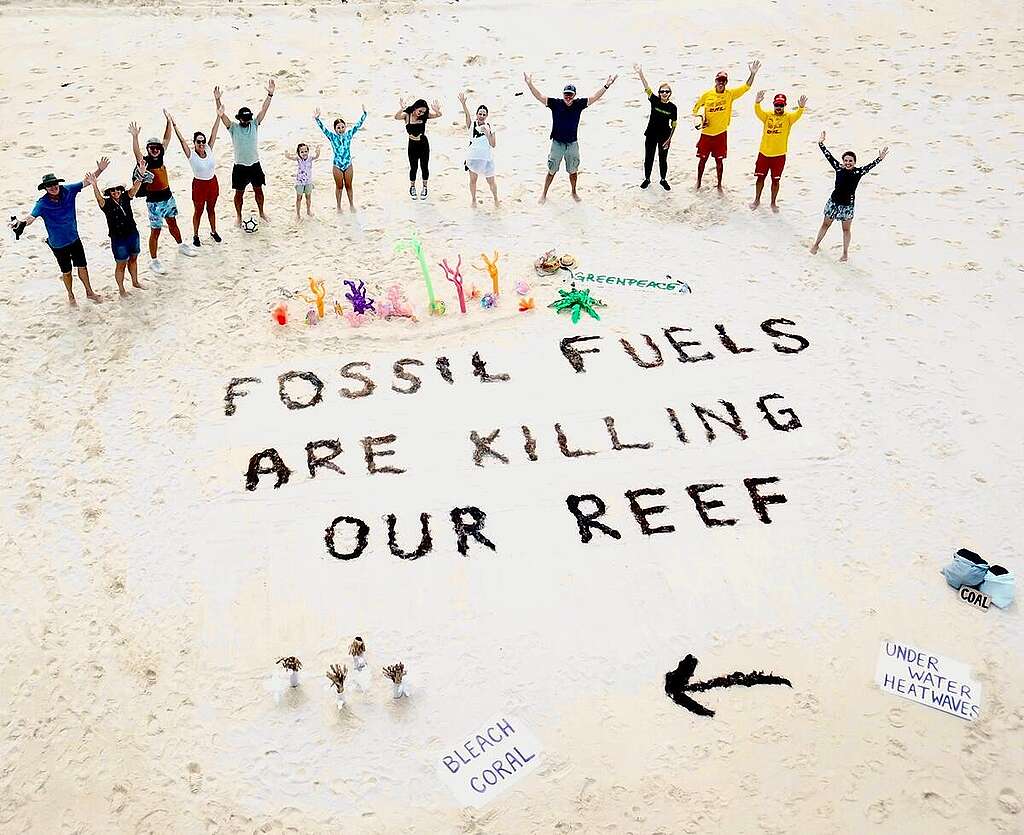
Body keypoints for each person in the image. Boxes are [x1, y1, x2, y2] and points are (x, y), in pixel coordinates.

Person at [9, 159, 109, 305]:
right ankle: (71, 295)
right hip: (58, 244)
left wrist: (100, 169)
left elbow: (86, 182)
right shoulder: (42, 203)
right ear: (45, 188)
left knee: (82, 266)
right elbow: (31, 217)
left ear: (58, 183)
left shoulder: (69, 189)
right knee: (67, 271)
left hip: (74, 238)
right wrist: (21, 223)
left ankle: (89, 292)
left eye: (54, 184)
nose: (53, 187)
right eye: (49, 186)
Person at [523, 72, 617, 203]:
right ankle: (544, 193)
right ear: (563, 95)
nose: (568, 97)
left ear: (574, 95)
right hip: (557, 143)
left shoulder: (579, 104)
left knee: (573, 171)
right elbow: (539, 96)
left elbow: (595, 97)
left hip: (572, 143)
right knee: (552, 170)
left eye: (570, 94)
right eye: (566, 94)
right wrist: (529, 84)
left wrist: (607, 85)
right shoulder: (555, 104)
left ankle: (573, 192)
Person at [130, 115, 198, 274]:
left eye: (157, 148)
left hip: (168, 198)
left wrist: (168, 122)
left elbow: (166, 139)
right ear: (148, 149)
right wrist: (135, 137)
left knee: (173, 223)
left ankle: (181, 245)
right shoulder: (145, 162)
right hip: (154, 202)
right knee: (156, 230)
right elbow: (136, 153)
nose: (155, 150)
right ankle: (154, 261)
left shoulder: (160, 156)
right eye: (151, 148)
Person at [810, 131, 888, 261]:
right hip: (833, 202)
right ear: (843, 161)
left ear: (854, 162)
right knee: (825, 225)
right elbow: (828, 156)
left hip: (847, 205)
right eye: (845, 160)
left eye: (850, 161)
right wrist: (821, 143)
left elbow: (870, 166)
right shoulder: (838, 168)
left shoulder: (858, 172)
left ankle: (845, 253)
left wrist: (879, 159)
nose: (848, 163)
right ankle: (816, 244)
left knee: (846, 230)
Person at [692, 60, 760, 191]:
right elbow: (696, 108)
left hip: (720, 134)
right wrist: (699, 120)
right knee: (702, 161)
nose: (721, 83)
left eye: (724, 80)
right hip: (706, 134)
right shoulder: (707, 95)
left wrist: (752, 74)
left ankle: (719, 185)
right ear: (715, 81)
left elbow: (746, 87)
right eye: (719, 80)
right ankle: (698, 182)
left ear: (726, 83)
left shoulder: (730, 95)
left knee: (719, 161)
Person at [215, 80, 275, 225]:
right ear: (239, 118)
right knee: (239, 194)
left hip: (254, 165)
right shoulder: (233, 127)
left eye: (248, 118)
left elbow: (263, 110)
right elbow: (222, 115)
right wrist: (217, 99)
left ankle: (261, 212)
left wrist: (270, 94)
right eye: (244, 119)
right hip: (240, 167)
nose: (247, 121)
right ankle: (239, 216)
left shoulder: (254, 124)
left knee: (259, 191)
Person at [85, 163, 146, 296]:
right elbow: (98, 198)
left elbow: (135, 188)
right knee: (121, 264)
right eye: (112, 190)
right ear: (109, 192)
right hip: (118, 238)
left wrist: (140, 174)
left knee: (134, 258)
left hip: (132, 234)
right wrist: (94, 185)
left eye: (118, 189)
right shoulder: (106, 204)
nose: (116, 192)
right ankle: (121, 289)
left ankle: (135, 282)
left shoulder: (126, 197)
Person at [170, 106, 223, 247]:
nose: (201, 143)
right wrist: (174, 125)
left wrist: (218, 116)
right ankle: (195, 235)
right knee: (198, 211)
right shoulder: (191, 155)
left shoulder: (208, 148)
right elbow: (181, 141)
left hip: (212, 183)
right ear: (194, 143)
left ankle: (213, 231)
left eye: (202, 141)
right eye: (198, 141)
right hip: (199, 185)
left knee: (211, 209)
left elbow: (214, 132)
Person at [750, 90, 807, 212]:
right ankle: (757, 200)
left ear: (784, 106)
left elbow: (797, 114)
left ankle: (773, 203)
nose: (779, 107)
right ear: (773, 105)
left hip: (779, 156)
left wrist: (801, 108)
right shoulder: (768, 116)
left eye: (781, 105)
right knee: (760, 179)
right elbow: (758, 112)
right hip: (764, 154)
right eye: (777, 105)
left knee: (775, 181)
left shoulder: (789, 118)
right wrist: (757, 103)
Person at [314, 106, 367, 212]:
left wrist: (364, 114)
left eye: (342, 127)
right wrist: (317, 119)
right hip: (337, 165)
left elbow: (357, 126)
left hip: (348, 164)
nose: (341, 129)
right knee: (339, 186)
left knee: (349, 186)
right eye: (338, 128)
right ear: (335, 129)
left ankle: (351, 204)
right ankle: (338, 206)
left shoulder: (348, 135)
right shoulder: (332, 137)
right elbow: (323, 129)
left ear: (345, 127)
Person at [633, 65, 677, 190]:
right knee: (649, 157)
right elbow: (646, 87)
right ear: (659, 93)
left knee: (663, 159)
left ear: (670, 94)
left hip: (664, 135)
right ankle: (647, 179)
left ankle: (663, 180)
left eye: (667, 91)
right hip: (651, 134)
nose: (664, 93)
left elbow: (674, 124)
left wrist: (669, 139)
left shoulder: (673, 108)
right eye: (662, 91)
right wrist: (640, 73)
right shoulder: (655, 100)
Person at [394, 97, 442, 200]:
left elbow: (438, 115)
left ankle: (425, 187)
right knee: (413, 167)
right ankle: (412, 187)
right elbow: (396, 117)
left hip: (423, 144)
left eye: (423, 112)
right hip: (412, 145)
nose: (421, 113)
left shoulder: (424, 116)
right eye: (420, 111)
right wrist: (401, 108)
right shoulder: (407, 115)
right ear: (415, 108)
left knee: (424, 167)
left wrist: (437, 110)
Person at [457, 92, 498, 208]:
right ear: (477, 114)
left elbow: (493, 144)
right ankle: (474, 199)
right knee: (473, 180)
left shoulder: (490, 126)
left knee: (491, 181)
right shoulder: (472, 125)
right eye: (480, 113)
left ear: (486, 116)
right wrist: (463, 104)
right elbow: (467, 115)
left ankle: (496, 199)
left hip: (487, 158)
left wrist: (488, 133)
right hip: (473, 157)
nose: (481, 116)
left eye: (484, 114)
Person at [283, 143, 321, 220]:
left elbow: (316, 157)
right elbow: (291, 158)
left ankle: (308, 210)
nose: (304, 153)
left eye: (306, 151)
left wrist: (318, 151)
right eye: (302, 152)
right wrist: (287, 155)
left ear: (308, 151)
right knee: (299, 198)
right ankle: (298, 214)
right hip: (299, 182)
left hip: (308, 182)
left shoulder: (310, 158)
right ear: (299, 153)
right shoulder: (298, 158)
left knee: (308, 197)